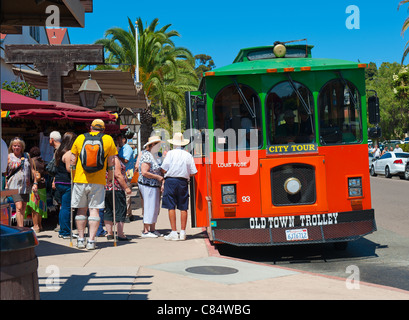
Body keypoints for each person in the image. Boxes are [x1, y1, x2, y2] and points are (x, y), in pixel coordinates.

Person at [70, 119, 117, 250]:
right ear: (103, 129)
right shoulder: (108, 139)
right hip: (98, 180)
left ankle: (80, 239)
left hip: (80, 179)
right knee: (94, 210)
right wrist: (110, 179)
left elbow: (73, 160)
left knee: (81, 210)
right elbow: (112, 162)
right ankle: (91, 241)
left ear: (91, 127)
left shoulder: (80, 138)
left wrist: (73, 177)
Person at [161, 132, 198, 241]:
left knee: (171, 206)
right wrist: (185, 174)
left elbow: (163, 168)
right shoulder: (188, 155)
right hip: (183, 182)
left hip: (171, 181)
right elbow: (194, 172)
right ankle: (183, 232)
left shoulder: (170, 154)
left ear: (174, 143)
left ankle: (173, 232)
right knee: (183, 206)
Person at [138, 136, 164, 238]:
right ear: (152, 145)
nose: (159, 146)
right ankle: (146, 230)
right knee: (149, 206)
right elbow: (144, 172)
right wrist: (158, 177)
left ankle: (152, 229)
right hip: (147, 184)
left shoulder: (155, 155)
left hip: (154, 185)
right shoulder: (147, 156)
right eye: (157, 144)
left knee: (154, 207)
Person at [104, 150, 132, 241]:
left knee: (108, 210)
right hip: (116, 187)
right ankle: (120, 233)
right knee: (120, 209)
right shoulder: (114, 158)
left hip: (106, 187)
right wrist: (126, 187)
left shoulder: (103, 158)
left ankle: (109, 233)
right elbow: (118, 174)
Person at [54, 132, 77, 239]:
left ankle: (63, 230)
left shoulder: (58, 151)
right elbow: (69, 169)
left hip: (59, 181)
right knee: (66, 208)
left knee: (63, 207)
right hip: (67, 182)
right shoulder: (69, 153)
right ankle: (65, 231)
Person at [6, 137, 33, 227]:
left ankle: (19, 226)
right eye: (14, 145)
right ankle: (21, 228)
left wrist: (35, 182)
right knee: (19, 206)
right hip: (14, 185)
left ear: (22, 147)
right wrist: (5, 183)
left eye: (18, 146)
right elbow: (5, 172)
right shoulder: (9, 156)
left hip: (26, 185)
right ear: (11, 147)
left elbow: (32, 169)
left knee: (24, 207)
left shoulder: (27, 156)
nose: (16, 147)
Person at [25, 147, 47, 233]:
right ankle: (40, 225)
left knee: (34, 207)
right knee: (40, 206)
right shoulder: (42, 161)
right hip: (42, 186)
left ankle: (36, 226)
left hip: (35, 186)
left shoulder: (31, 161)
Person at [117, 132, 135, 222]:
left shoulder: (127, 148)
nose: (118, 141)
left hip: (128, 173)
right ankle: (129, 213)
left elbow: (126, 160)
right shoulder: (122, 148)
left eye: (119, 139)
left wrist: (116, 157)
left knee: (127, 194)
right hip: (126, 173)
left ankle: (127, 214)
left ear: (123, 139)